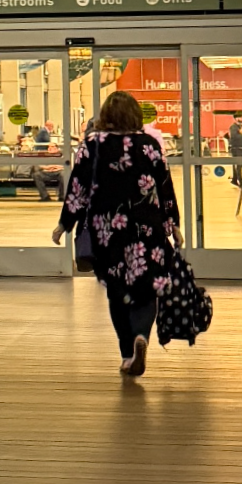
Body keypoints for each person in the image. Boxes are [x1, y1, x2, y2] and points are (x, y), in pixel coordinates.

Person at [52, 91, 183, 376]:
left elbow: (78, 187)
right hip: (147, 228)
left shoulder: (91, 145)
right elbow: (164, 187)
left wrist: (65, 223)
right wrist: (173, 223)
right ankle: (141, 337)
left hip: (107, 230)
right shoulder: (150, 144)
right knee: (147, 289)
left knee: (117, 290)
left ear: (106, 116)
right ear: (135, 115)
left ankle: (127, 353)